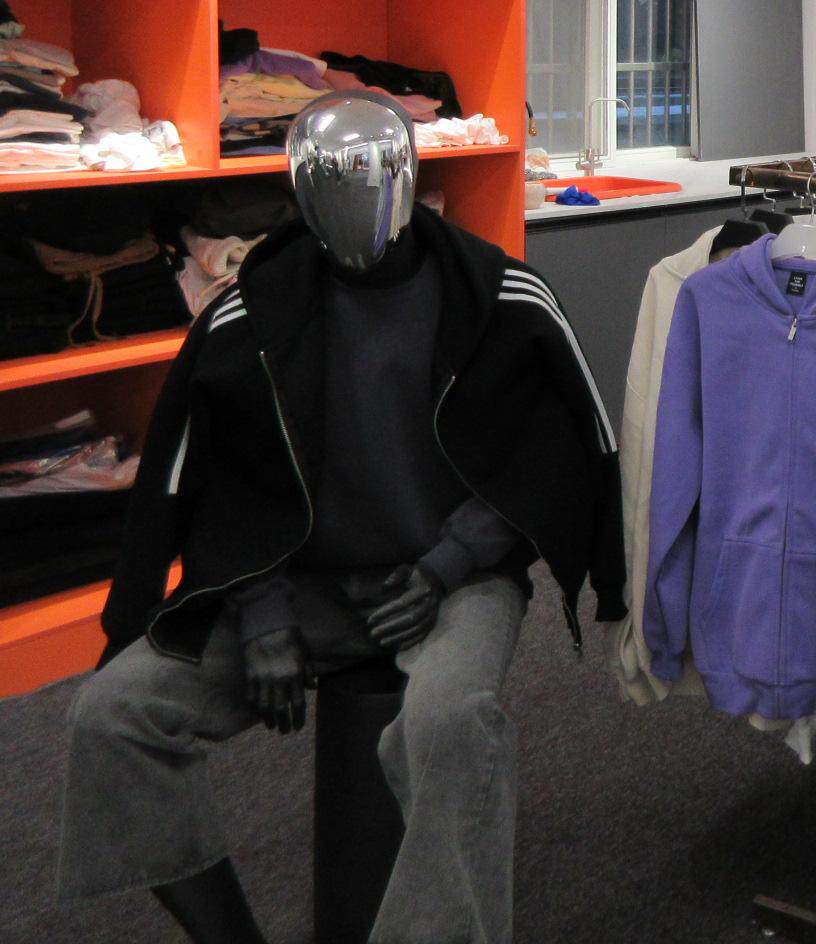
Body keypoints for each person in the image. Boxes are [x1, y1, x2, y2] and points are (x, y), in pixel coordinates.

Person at [57, 92, 624, 944]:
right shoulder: (249, 315)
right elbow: (211, 477)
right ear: (299, 188)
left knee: (449, 725)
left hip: (455, 581)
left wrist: (448, 564)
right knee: (114, 715)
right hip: (298, 584)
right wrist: (261, 608)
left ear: (406, 178)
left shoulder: (500, 298)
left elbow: (554, 454)